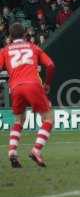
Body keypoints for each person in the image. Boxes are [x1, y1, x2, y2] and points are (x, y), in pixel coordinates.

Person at [0, 23, 55, 168]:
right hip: (33, 84)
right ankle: (36, 150)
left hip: (15, 87)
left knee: (18, 120)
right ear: (25, 34)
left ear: (10, 37)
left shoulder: (5, 50)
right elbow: (50, 65)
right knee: (49, 118)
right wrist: (47, 83)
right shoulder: (33, 47)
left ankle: (12, 152)